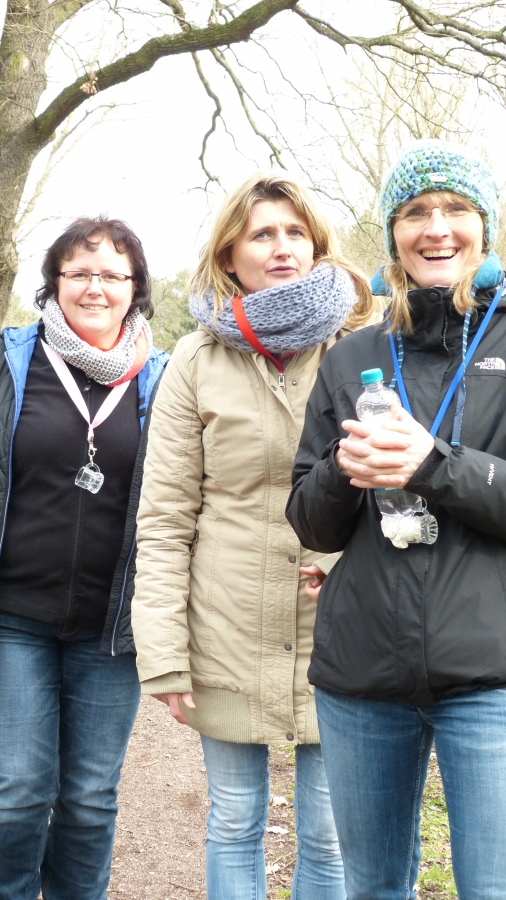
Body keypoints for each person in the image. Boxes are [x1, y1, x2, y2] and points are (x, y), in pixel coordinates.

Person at [131, 174, 375, 900]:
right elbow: (165, 518)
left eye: (296, 233)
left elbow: (399, 486)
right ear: (229, 255)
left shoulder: (363, 347)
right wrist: (163, 654)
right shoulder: (194, 361)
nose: (282, 248)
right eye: (262, 234)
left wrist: (352, 567)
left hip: (341, 624)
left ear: (318, 248)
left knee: (330, 832)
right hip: (227, 625)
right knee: (235, 819)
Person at [286, 140, 506, 900]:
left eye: (456, 209)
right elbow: (310, 522)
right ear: (392, 234)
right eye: (415, 213)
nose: (435, 228)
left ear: (485, 227)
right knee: (373, 887)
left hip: (492, 673)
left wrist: (432, 463)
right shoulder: (351, 357)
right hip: (362, 671)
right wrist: (343, 470)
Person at [0, 216, 168, 900]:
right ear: (54, 282)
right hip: (15, 616)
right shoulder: (13, 363)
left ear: (135, 288)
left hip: (111, 627)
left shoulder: (163, 379)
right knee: (17, 790)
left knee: (91, 797)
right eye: (79, 272)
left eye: (112, 274)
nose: (95, 287)